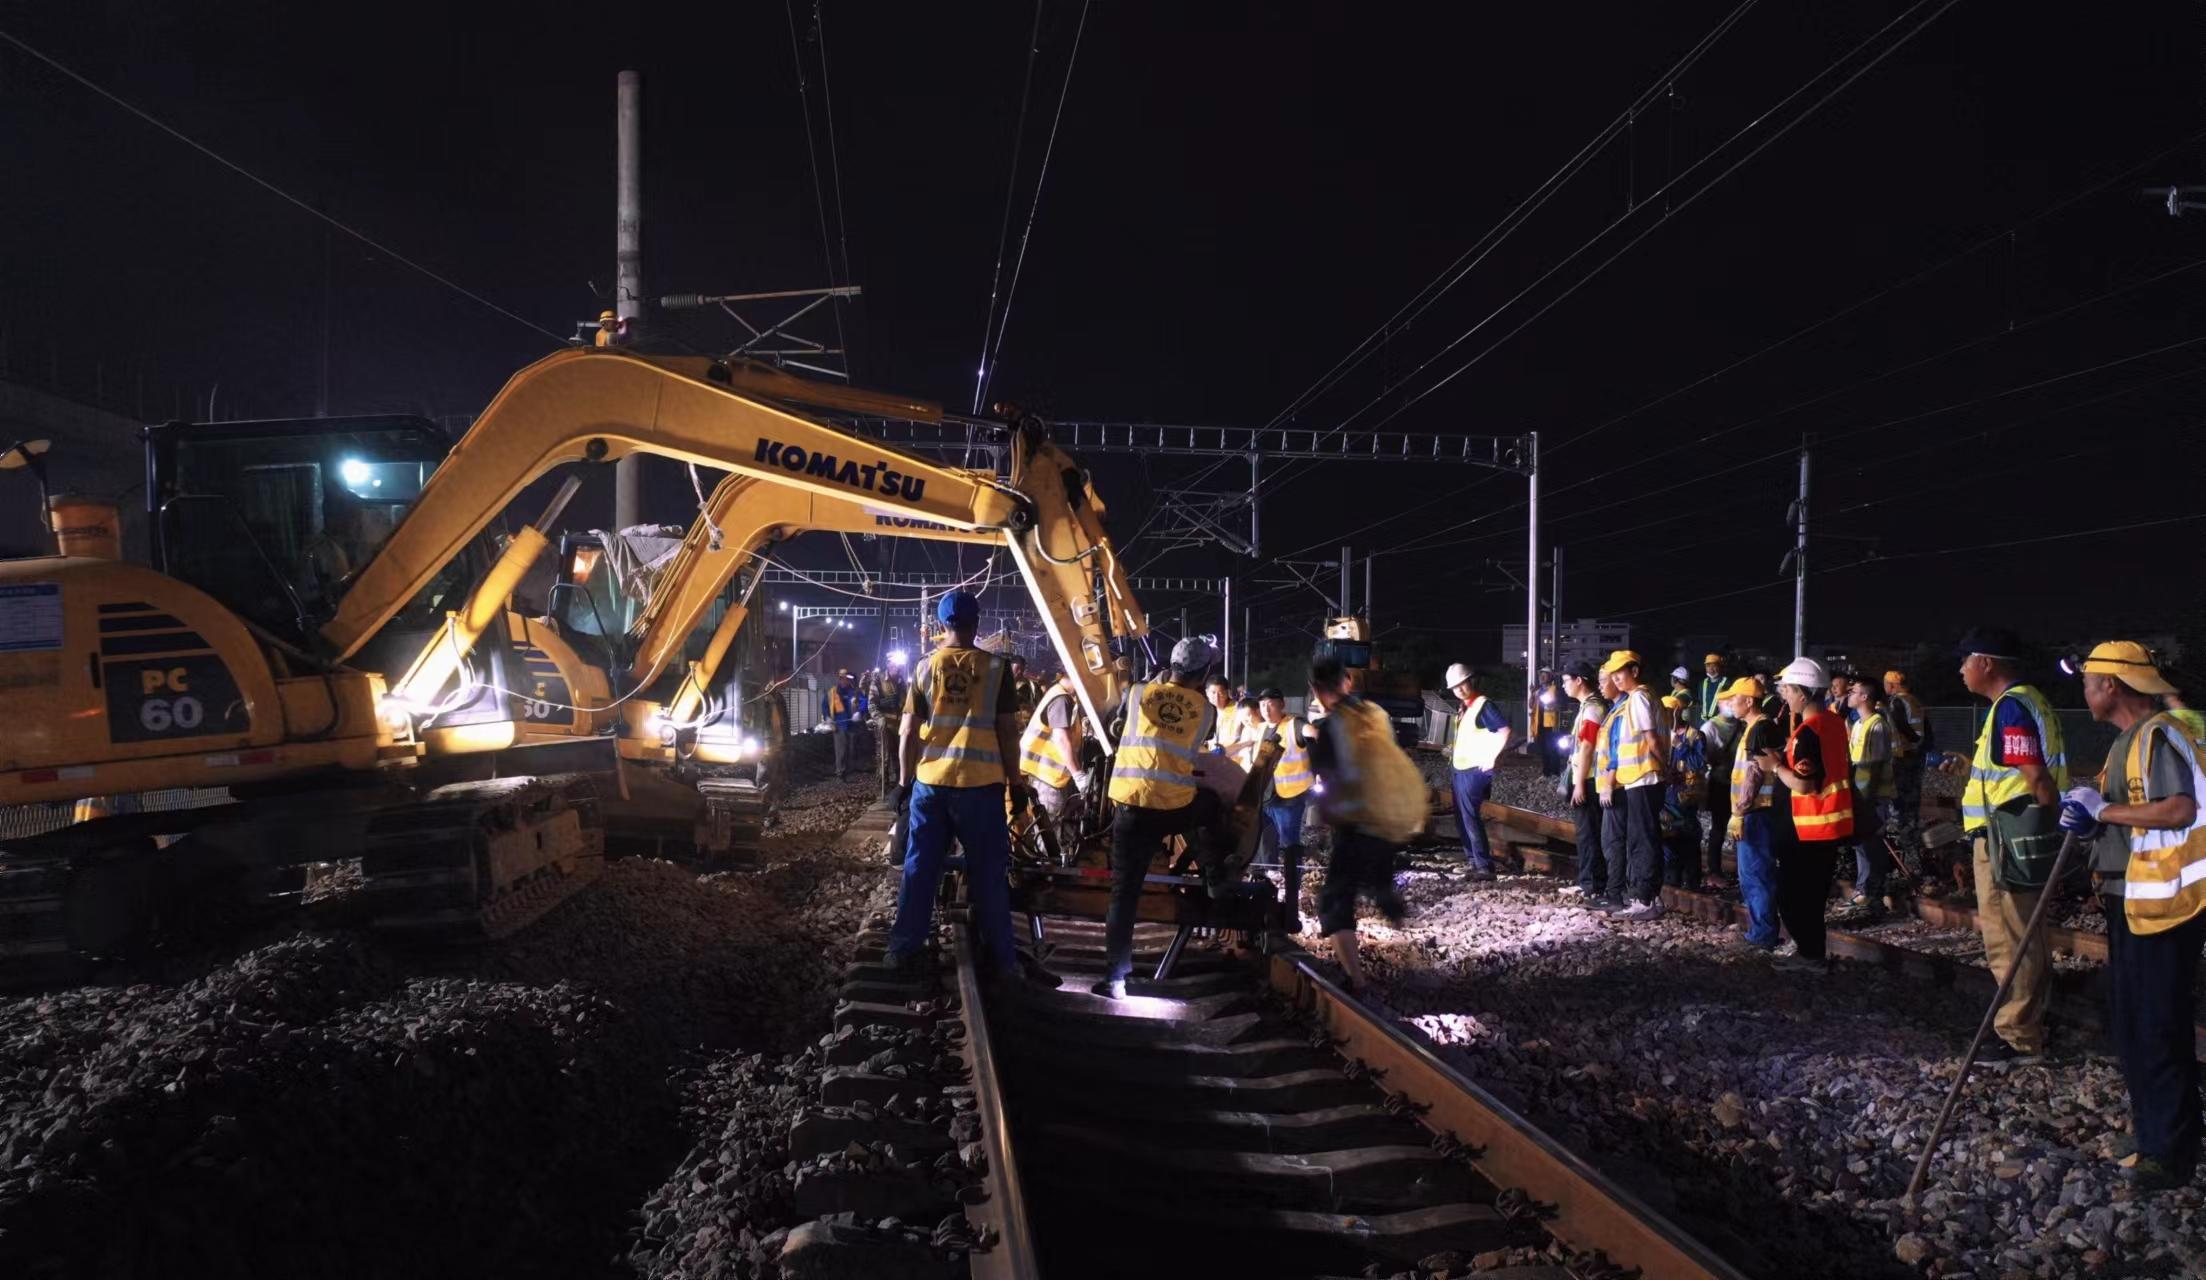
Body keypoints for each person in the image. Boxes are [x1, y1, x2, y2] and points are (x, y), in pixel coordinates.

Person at [2060, 642, 2206, 1191]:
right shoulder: (2132, 740)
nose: (2085, 689)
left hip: (2164, 904)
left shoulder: (2159, 734)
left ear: (2113, 686)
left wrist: (2106, 811)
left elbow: (2179, 808)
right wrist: (2094, 821)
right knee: (2136, 1022)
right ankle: (2156, 1135)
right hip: (2138, 899)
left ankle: (2169, 1152)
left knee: (2156, 1024)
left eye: (2089, 681)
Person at [884, 591, 1055, 988]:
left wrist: (903, 784)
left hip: (932, 786)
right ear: (977, 624)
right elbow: (1007, 732)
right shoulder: (996, 669)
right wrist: (1016, 783)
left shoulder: (924, 667)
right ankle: (1004, 961)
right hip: (981, 787)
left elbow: (908, 732)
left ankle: (901, 949)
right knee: (989, 875)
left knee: (920, 867)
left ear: (942, 626)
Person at [1941, 626, 2068, 1064]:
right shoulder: (2026, 703)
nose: (1961, 670)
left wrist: (2044, 826)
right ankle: (2028, 1022)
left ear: (1986, 663)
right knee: (2022, 934)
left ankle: (2017, 1036)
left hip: (2007, 842)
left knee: (2010, 939)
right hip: (2016, 836)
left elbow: (2036, 779)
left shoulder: (2010, 708)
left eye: (1965, 661)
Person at [1095, 638, 1222, 999]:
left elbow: (1114, 723)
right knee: (1210, 806)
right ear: (1204, 673)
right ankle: (1213, 873)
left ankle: (1115, 978)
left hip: (1132, 806)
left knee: (1124, 893)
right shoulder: (1206, 710)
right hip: (1174, 809)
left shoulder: (1137, 693)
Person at [1305, 651, 1415, 994]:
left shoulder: (1329, 729)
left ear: (1314, 689)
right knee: (1377, 881)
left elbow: (1326, 780)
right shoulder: (1376, 714)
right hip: (1389, 820)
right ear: (1347, 681)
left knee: (1334, 903)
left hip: (1355, 826)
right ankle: (1385, 893)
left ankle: (1357, 981)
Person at [1763, 658, 1854, 973]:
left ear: (1802, 692)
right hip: (1827, 824)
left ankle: (1810, 954)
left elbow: (1804, 783)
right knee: (1814, 894)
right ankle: (1811, 950)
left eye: (1787, 689)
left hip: (1806, 829)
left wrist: (1774, 766)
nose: (1784, 695)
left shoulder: (1808, 732)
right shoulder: (1833, 723)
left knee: (1794, 896)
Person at [1596, 650, 1669, 920]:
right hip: (1643, 777)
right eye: (1612, 674)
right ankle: (1652, 896)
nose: (1616, 679)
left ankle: (1643, 899)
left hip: (1643, 775)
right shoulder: (1648, 696)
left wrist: (1666, 767)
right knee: (1647, 836)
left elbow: (1651, 739)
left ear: (1634, 672)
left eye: (1620, 673)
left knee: (1641, 839)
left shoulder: (1638, 698)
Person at [1723, 677, 1784, 950]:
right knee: (1756, 875)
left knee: (1756, 875)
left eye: (1734, 698)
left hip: (1756, 812)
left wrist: (1740, 810)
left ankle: (1762, 936)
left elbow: (1755, 772)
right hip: (1758, 812)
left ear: (1749, 701)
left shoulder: (1759, 729)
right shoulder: (1757, 728)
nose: (1729, 703)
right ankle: (1762, 931)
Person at [1253, 687, 1314, 930]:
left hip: (1289, 798)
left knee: (1290, 847)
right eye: (1262, 705)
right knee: (1263, 843)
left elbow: (1310, 731)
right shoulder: (1261, 729)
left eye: (1270, 704)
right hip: (1266, 798)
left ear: (1282, 705)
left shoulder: (1293, 724)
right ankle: (1265, 884)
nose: (1266, 710)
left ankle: (1292, 894)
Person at [1445, 662, 1510, 883]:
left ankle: (1484, 866)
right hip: (1460, 769)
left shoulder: (1483, 705)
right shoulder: (1465, 708)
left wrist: (1491, 757)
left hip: (1473, 771)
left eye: (1462, 684)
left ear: (1471, 681)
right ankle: (1474, 861)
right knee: (1462, 818)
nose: (1459, 689)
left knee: (1470, 817)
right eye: (1455, 687)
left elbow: (1503, 730)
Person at [1017, 669, 1086, 864]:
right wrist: (1079, 774)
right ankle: (1046, 874)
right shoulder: (1062, 700)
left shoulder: (1060, 694)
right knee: (1049, 831)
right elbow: (1061, 739)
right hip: (1046, 775)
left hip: (1044, 774)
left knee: (1048, 827)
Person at [1556, 661, 1609, 902]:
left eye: (1566, 680)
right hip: (1587, 777)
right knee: (1587, 833)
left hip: (1588, 780)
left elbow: (1588, 747)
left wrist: (1578, 783)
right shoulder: (1588, 707)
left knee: (1588, 834)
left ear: (1579, 680)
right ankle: (1590, 881)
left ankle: (1592, 885)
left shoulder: (1593, 709)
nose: (1563, 685)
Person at [1845, 680, 1896, 918]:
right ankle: (1864, 888)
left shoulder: (1876, 725)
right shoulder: (1858, 724)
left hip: (1873, 796)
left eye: (1853, 692)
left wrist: (1865, 798)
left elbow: (1874, 767)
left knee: (1871, 843)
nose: (1849, 694)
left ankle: (1873, 890)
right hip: (1860, 794)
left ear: (1865, 697)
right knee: (1862, 844)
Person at [1883, 668, 1930, 869]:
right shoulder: (1915, 700)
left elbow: (1901, 726)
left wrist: (1913, 740)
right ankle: (1913, 849)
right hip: (1915, 758)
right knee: (1912, 803)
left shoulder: (1896, 703)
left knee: (1899, 806)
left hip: (1901, 758)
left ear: (1892, 685)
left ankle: (1904, 854)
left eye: (1886, 683)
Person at [1662, 695, 1708, 888]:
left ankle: (1692, 881)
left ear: (1676, 712)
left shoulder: (1695, 736)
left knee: (1688, 837)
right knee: (1667, 837)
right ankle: (1672, 880)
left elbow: (1698, 763)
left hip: (1686, 796)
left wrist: (1679, 746)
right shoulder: (1661, 733)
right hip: (1667, 796)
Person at [1699, 681, 1741, 886]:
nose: (1732, 704)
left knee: (1741, 828)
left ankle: (1742, 872)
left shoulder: (1742, 724)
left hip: (1740, 784)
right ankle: (1714, 871)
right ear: (1719, 703)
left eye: (1734, 700)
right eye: (1728, 701)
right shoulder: (1710, 727)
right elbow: (1703, 757)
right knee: (1718, 827)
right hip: (1720, 783)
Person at [871, 661, 909, 800]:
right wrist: (879, 718)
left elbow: (907, 702)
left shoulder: (901, 682)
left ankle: (899, 787)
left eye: (900, 668)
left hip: (900, 726)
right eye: (896, 667)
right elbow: (872, 704)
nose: (899, 670)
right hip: (885, 726)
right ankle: (882, 789)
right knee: (884, 757)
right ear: (889, 666)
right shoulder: (878, 681)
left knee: (900, 756)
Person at [821, 669, 867, 780]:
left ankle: (850, 771)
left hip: (852, 725)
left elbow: (864, 701)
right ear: (839, 678)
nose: (845, 680)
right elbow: (825, 706)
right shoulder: (832, 692)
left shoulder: (854, 692)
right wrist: (827, 716)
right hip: (838, 725)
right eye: (843, 678)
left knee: (852, 749)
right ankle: (840, 772)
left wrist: (859, 712)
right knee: (840, 750)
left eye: (847, 678)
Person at [1535, 670, 1566, 777]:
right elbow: (1531, 705)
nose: (1541, 677)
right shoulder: (1538, 691)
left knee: (1552, 748)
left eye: (1544, 675)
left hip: (1552, 724)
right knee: (1543, 749)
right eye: (1540, 675)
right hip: (1539, 724)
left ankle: (1555, 772)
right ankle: (1546, 772)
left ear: (1550, 677)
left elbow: (1561, 704)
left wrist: (1554, 704)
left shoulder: (1555, 689)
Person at [1007, 654, 1041, 722]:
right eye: (1017, 668)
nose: (1020, 672)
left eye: (1022, 669)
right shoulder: (999, 683)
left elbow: (1039, 705)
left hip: (1024, 725)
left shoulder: (1031, 686)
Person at [1698, 652, 1728, 723]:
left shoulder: (1726, 683)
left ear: (1720, 667)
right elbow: (1701, 702)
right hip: (1703, 721)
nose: (1711, 669)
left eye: (1714, 665)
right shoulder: (1702, 683)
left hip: (1719, 722)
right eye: (1708, 666)